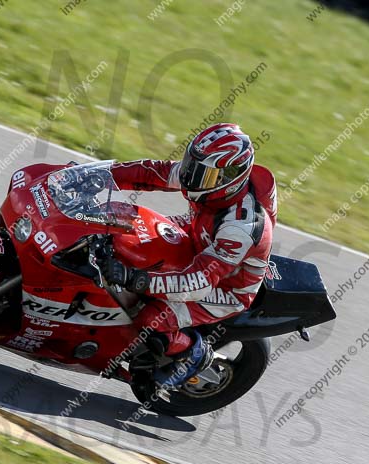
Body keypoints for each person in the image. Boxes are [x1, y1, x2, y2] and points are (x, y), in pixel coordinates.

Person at [104, 123, 277, 387]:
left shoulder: (241, 226)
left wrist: (137, 279)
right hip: (198, 237)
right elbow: (152, 172)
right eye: (191, 166)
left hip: (225, 287)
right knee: (118, 224)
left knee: (150, 319)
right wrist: (102, 174)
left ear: (230, 179)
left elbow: (197, 283)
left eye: (204, 175)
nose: (192, 178)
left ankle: (193, 355)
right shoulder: (203, 173)